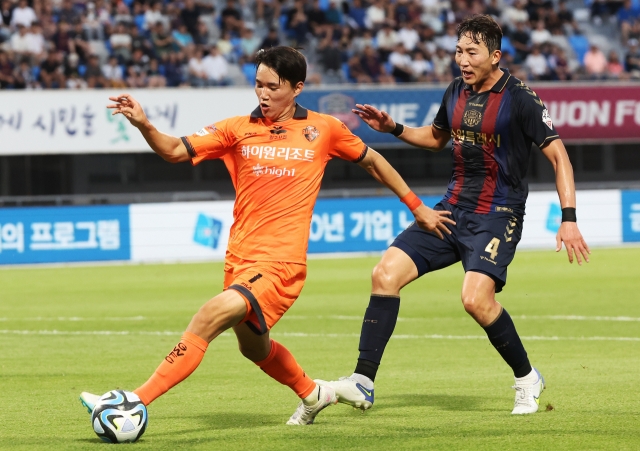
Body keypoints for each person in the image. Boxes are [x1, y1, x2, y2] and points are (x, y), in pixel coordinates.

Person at [78, 46, 453, 426]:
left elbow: (373, 160)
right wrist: (144, 124)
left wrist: (416, 206)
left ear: (297, 88)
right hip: (239, 261)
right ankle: (313, 393)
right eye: (258, 84)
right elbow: (174, 150)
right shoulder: (235, 129)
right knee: (255, 349)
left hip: (281, 264)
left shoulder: (323, 129)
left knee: (209, 315)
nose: (263, 93)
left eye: (272, 86)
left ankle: (131, 402)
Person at [318, 15, 590, 416]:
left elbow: (559, 156)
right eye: (458, 50)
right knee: (384, 274)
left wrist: (569, 216)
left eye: (471, 52)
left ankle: (527, 378)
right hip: (450, 209)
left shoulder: (521, 98)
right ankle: (363, 380)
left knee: (475, 299)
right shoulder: (454, 92)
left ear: (495, 56)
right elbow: (436, 137)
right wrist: (394, 128)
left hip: (498, 213)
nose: (461, 59)